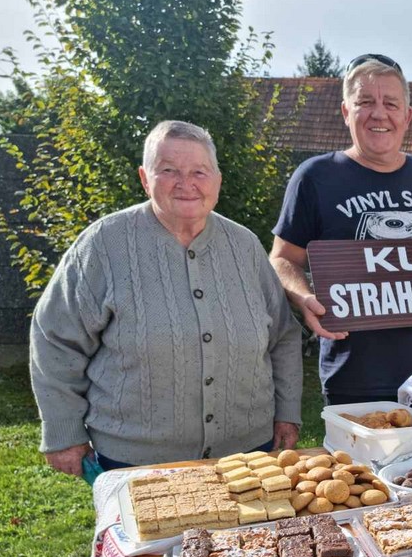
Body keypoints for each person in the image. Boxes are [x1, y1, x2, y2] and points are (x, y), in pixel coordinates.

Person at [29, 120, 303, 475]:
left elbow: (282, 336)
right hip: (137, 462)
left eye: (199, 171)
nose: (186, 183)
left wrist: (287, 413)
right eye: (168, 170)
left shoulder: (245, 246)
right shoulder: (103, 244)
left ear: (217, 180)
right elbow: (55, 339)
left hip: (247, 455)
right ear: (145, 179)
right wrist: (63, 432)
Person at [271, 54, 412, 405]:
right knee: (355, 463)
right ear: (346, 112)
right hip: (355, 377)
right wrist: (304, 297)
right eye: (365, 102)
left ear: (407, 116)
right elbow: (282, 258)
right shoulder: (315, 176)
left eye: (391, 103)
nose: (379, 113)